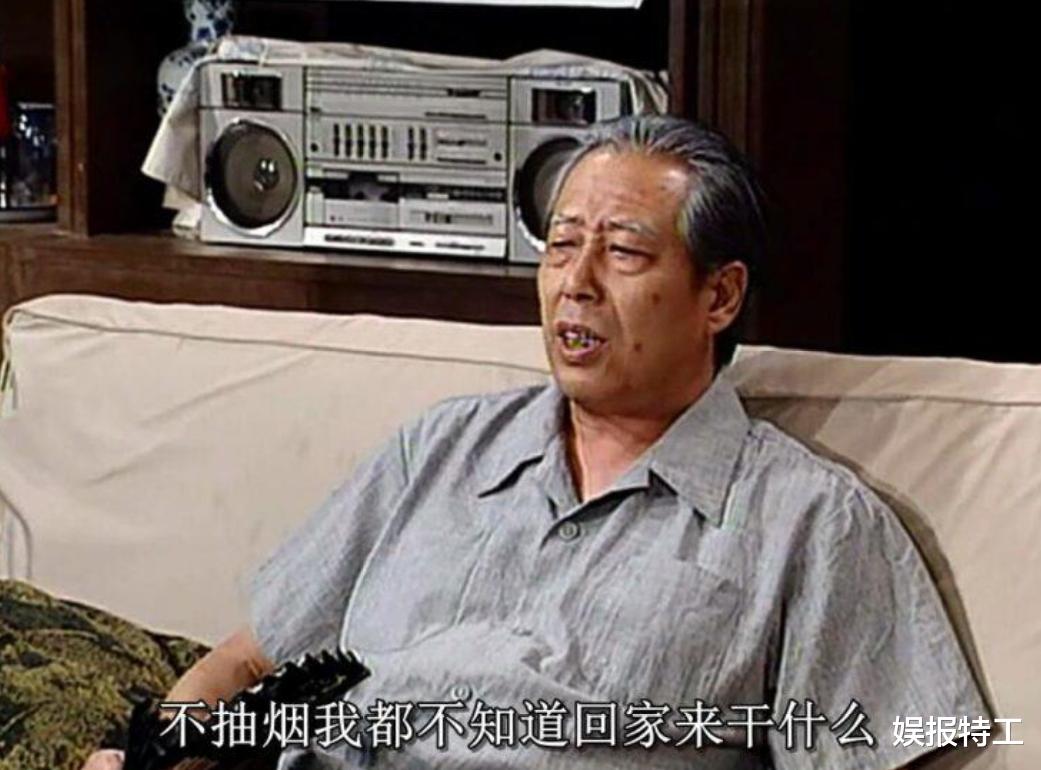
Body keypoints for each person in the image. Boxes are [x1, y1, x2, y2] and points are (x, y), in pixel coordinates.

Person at [82, 115, 987, 770]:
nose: (575, 283)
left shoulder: (809, 523)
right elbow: (251, 658)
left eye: (622, 253)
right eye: (560, 246)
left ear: (718, 296)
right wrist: (160, 753)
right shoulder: (441, 450)